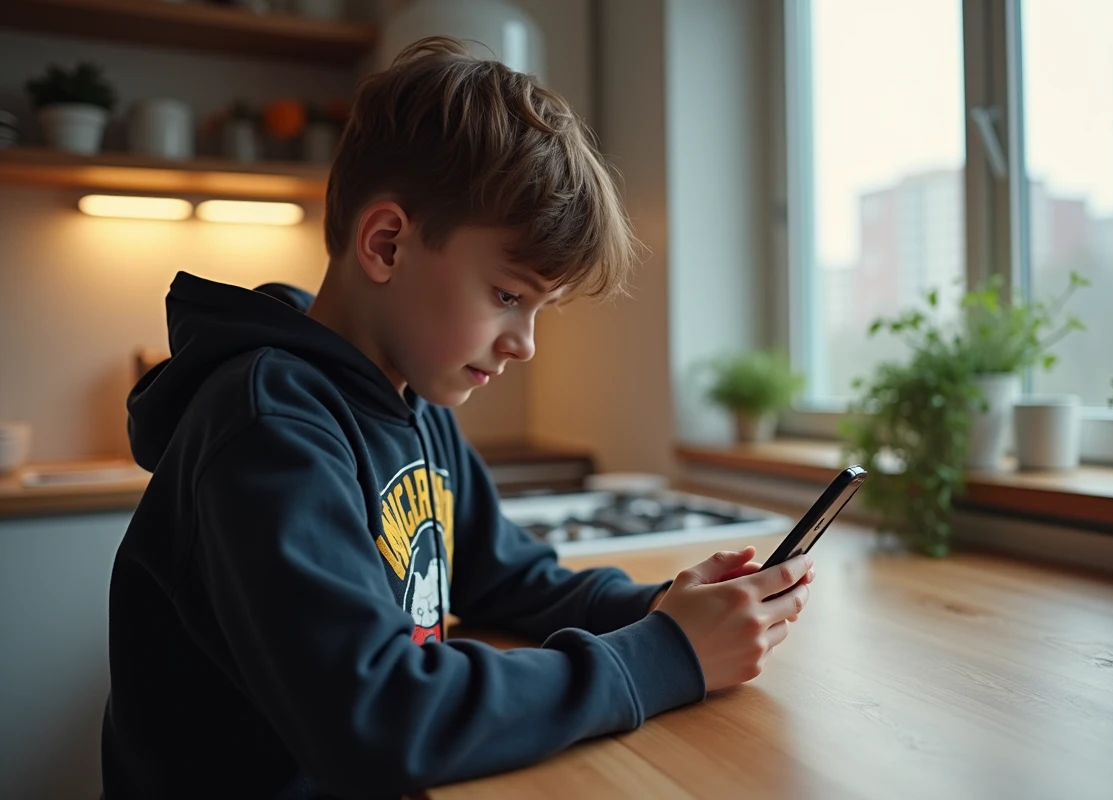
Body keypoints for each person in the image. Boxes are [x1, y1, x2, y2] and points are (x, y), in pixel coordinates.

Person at [100, 36, 815, 799]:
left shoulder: (411, 400)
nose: (525, 344)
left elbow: (507, 577)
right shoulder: (268, 427)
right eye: (509, 295)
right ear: (387, 243)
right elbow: (377, 717)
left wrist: (662, 609)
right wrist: (666, 656)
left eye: (540, 309)